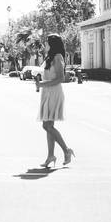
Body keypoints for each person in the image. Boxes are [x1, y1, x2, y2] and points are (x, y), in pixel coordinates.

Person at [36, 33, 74, 168]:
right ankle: (50, 155)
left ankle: (66, 150)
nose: (45, 45)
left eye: (47, 42)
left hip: (54, 93)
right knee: (49, 126)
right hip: (47, 92)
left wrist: (42, 84)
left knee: (46, 126)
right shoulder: (50, 57)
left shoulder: (58, 57)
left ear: (52, 44)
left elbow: (60, 78)